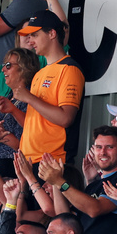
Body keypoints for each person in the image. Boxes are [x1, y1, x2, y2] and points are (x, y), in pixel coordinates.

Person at [16, 11, 84, 163]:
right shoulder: (39, 74)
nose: (30, 40)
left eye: (35, 35)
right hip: (30, 161)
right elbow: (37, 122)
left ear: (52, 33)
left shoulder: (69, 69)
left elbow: (66, 118)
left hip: (53, 161)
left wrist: (30, 98)